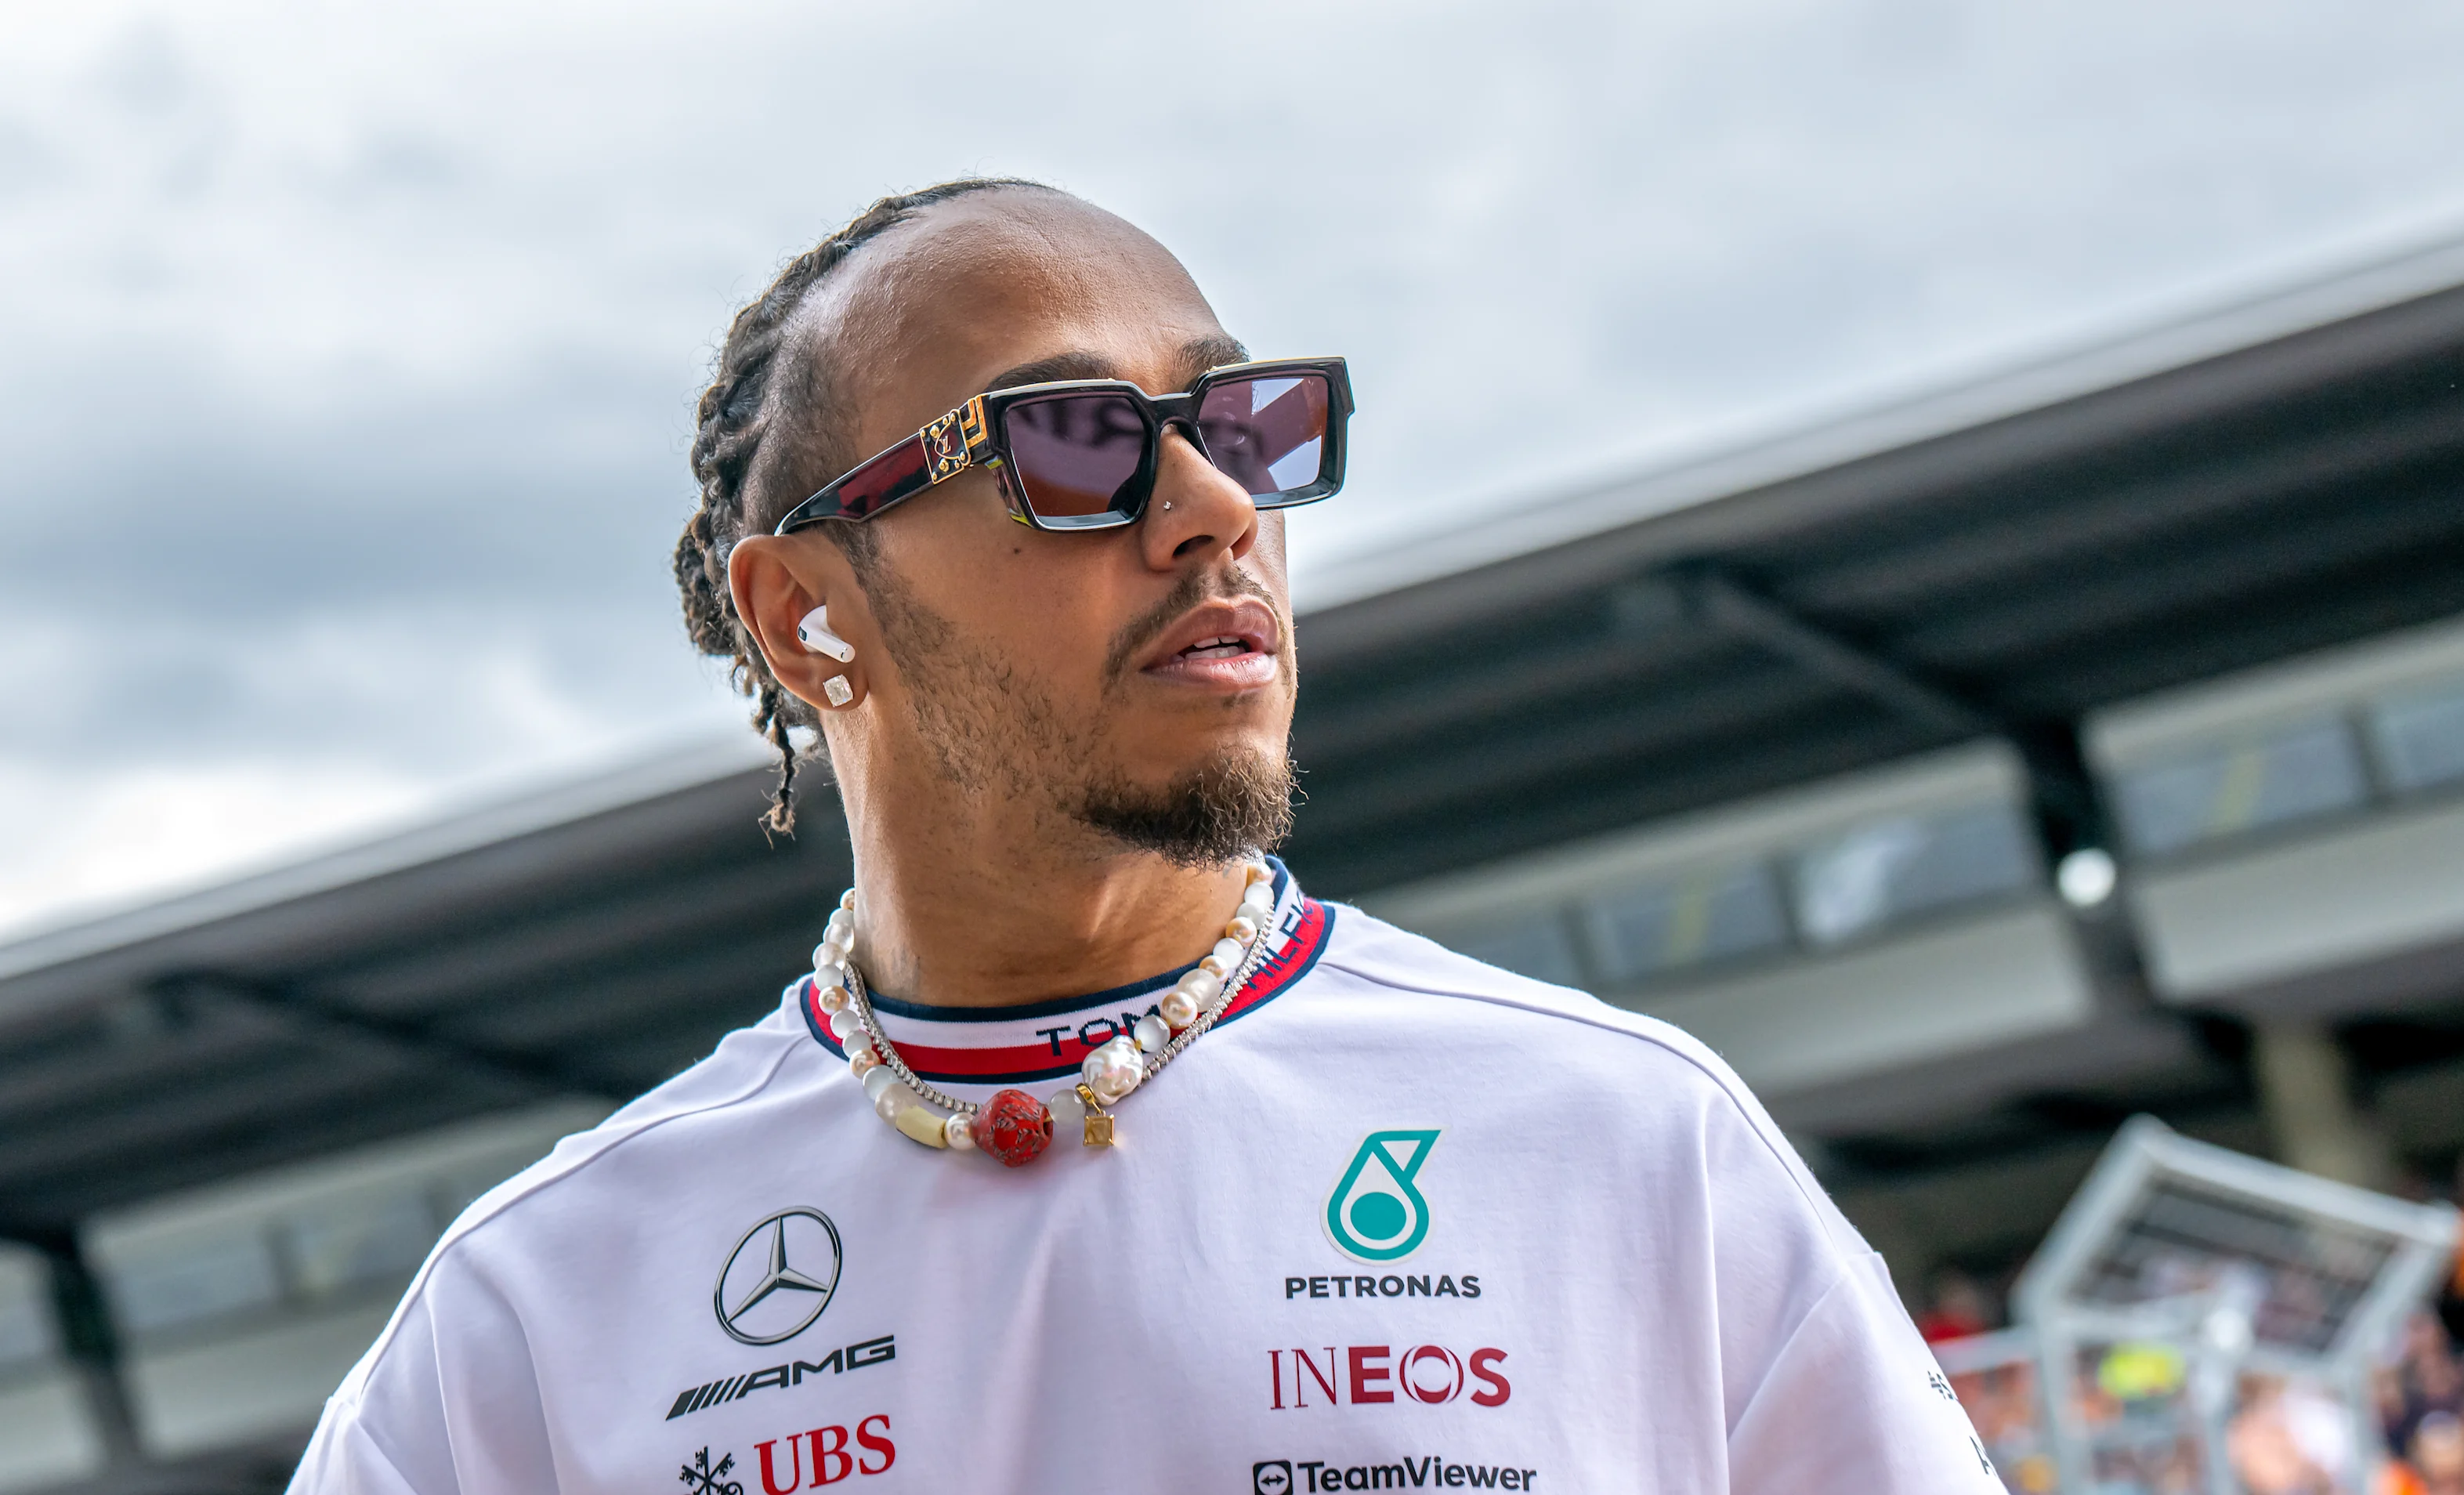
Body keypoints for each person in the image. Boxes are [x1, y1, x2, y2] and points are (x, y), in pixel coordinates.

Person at [285, 179, 1999, 1492]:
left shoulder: (1626, 1144)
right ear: (806, 615)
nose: (1216, 507)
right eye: (1075, 443)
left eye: (1237, 425)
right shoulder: (535, 1310)